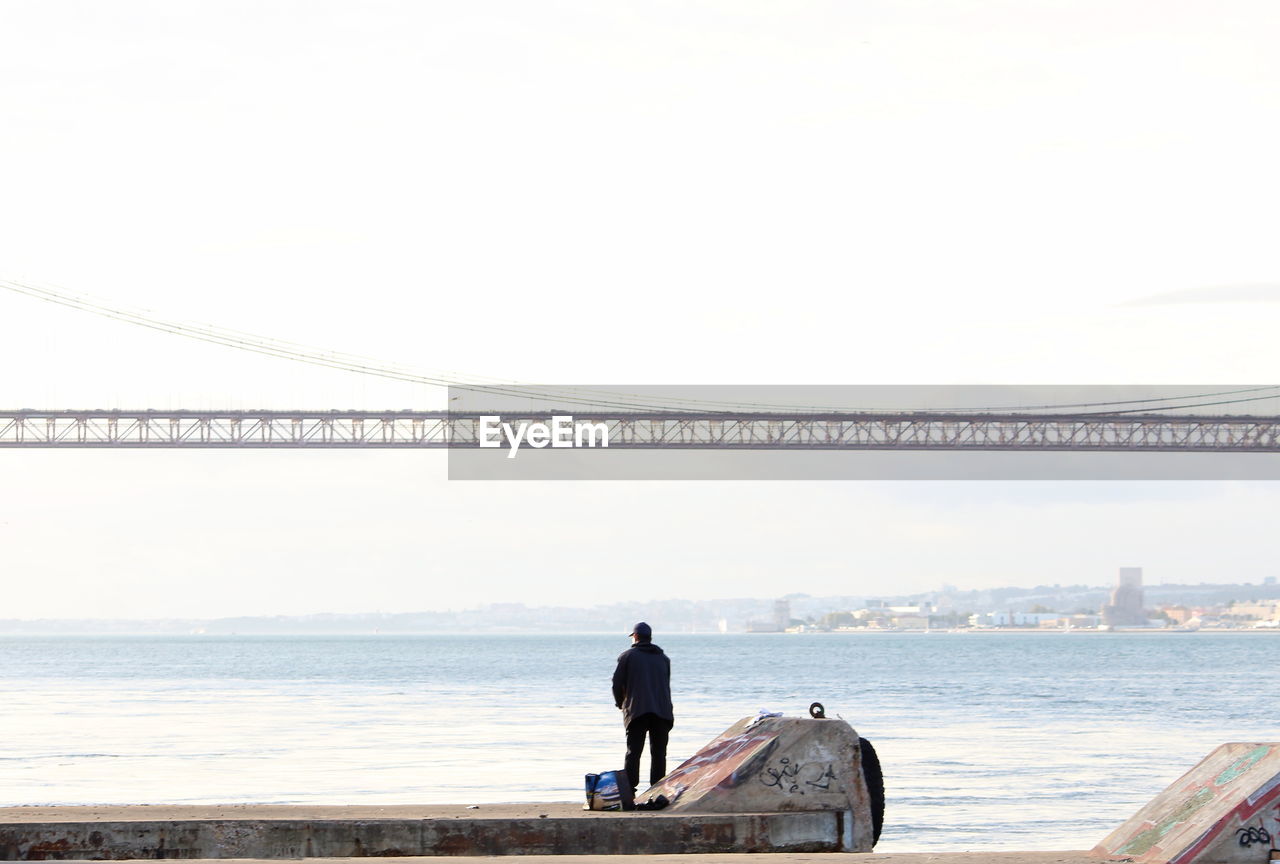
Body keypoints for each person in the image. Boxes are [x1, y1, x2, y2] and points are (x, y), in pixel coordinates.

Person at [611, 621, 674, 794]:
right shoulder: (663, 658)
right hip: (662, 712)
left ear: (636, 637)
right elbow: (665, 684)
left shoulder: (627, 656)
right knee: (659, 753)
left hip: (637, 711)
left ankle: (630, 790)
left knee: (634, 752)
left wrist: (620, 703)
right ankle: (657, 790)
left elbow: (617, 684)